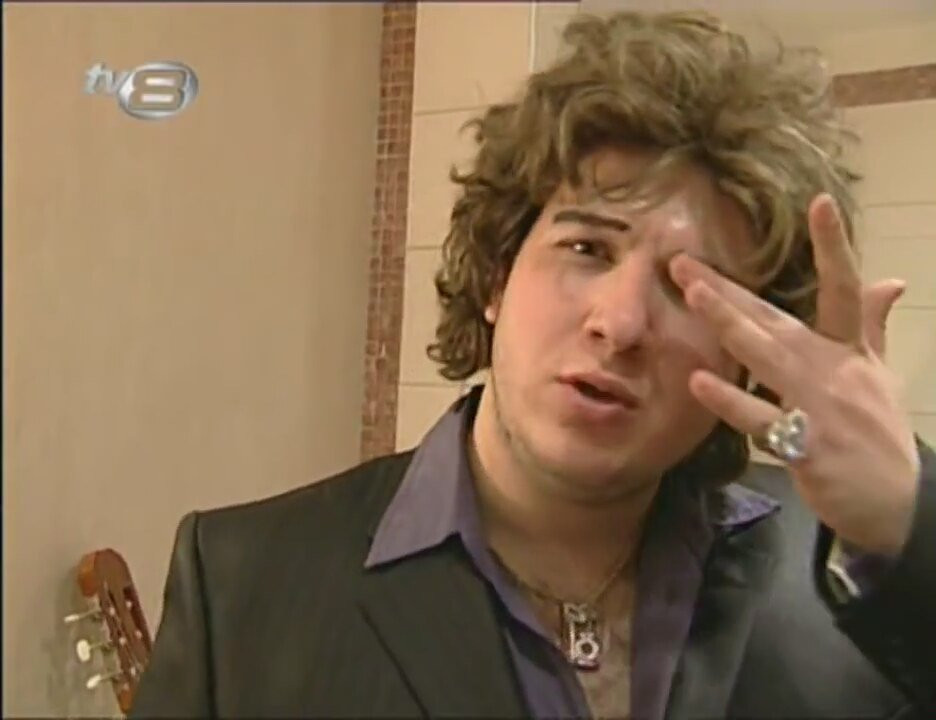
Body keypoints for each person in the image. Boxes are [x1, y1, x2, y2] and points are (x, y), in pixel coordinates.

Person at [131, 10, 935, 719]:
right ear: (496, 276)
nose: (620, 324)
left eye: (693, 289)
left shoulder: (853, 573)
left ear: (750, 350)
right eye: (587, 248)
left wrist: (912, 521)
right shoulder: (244, 585)